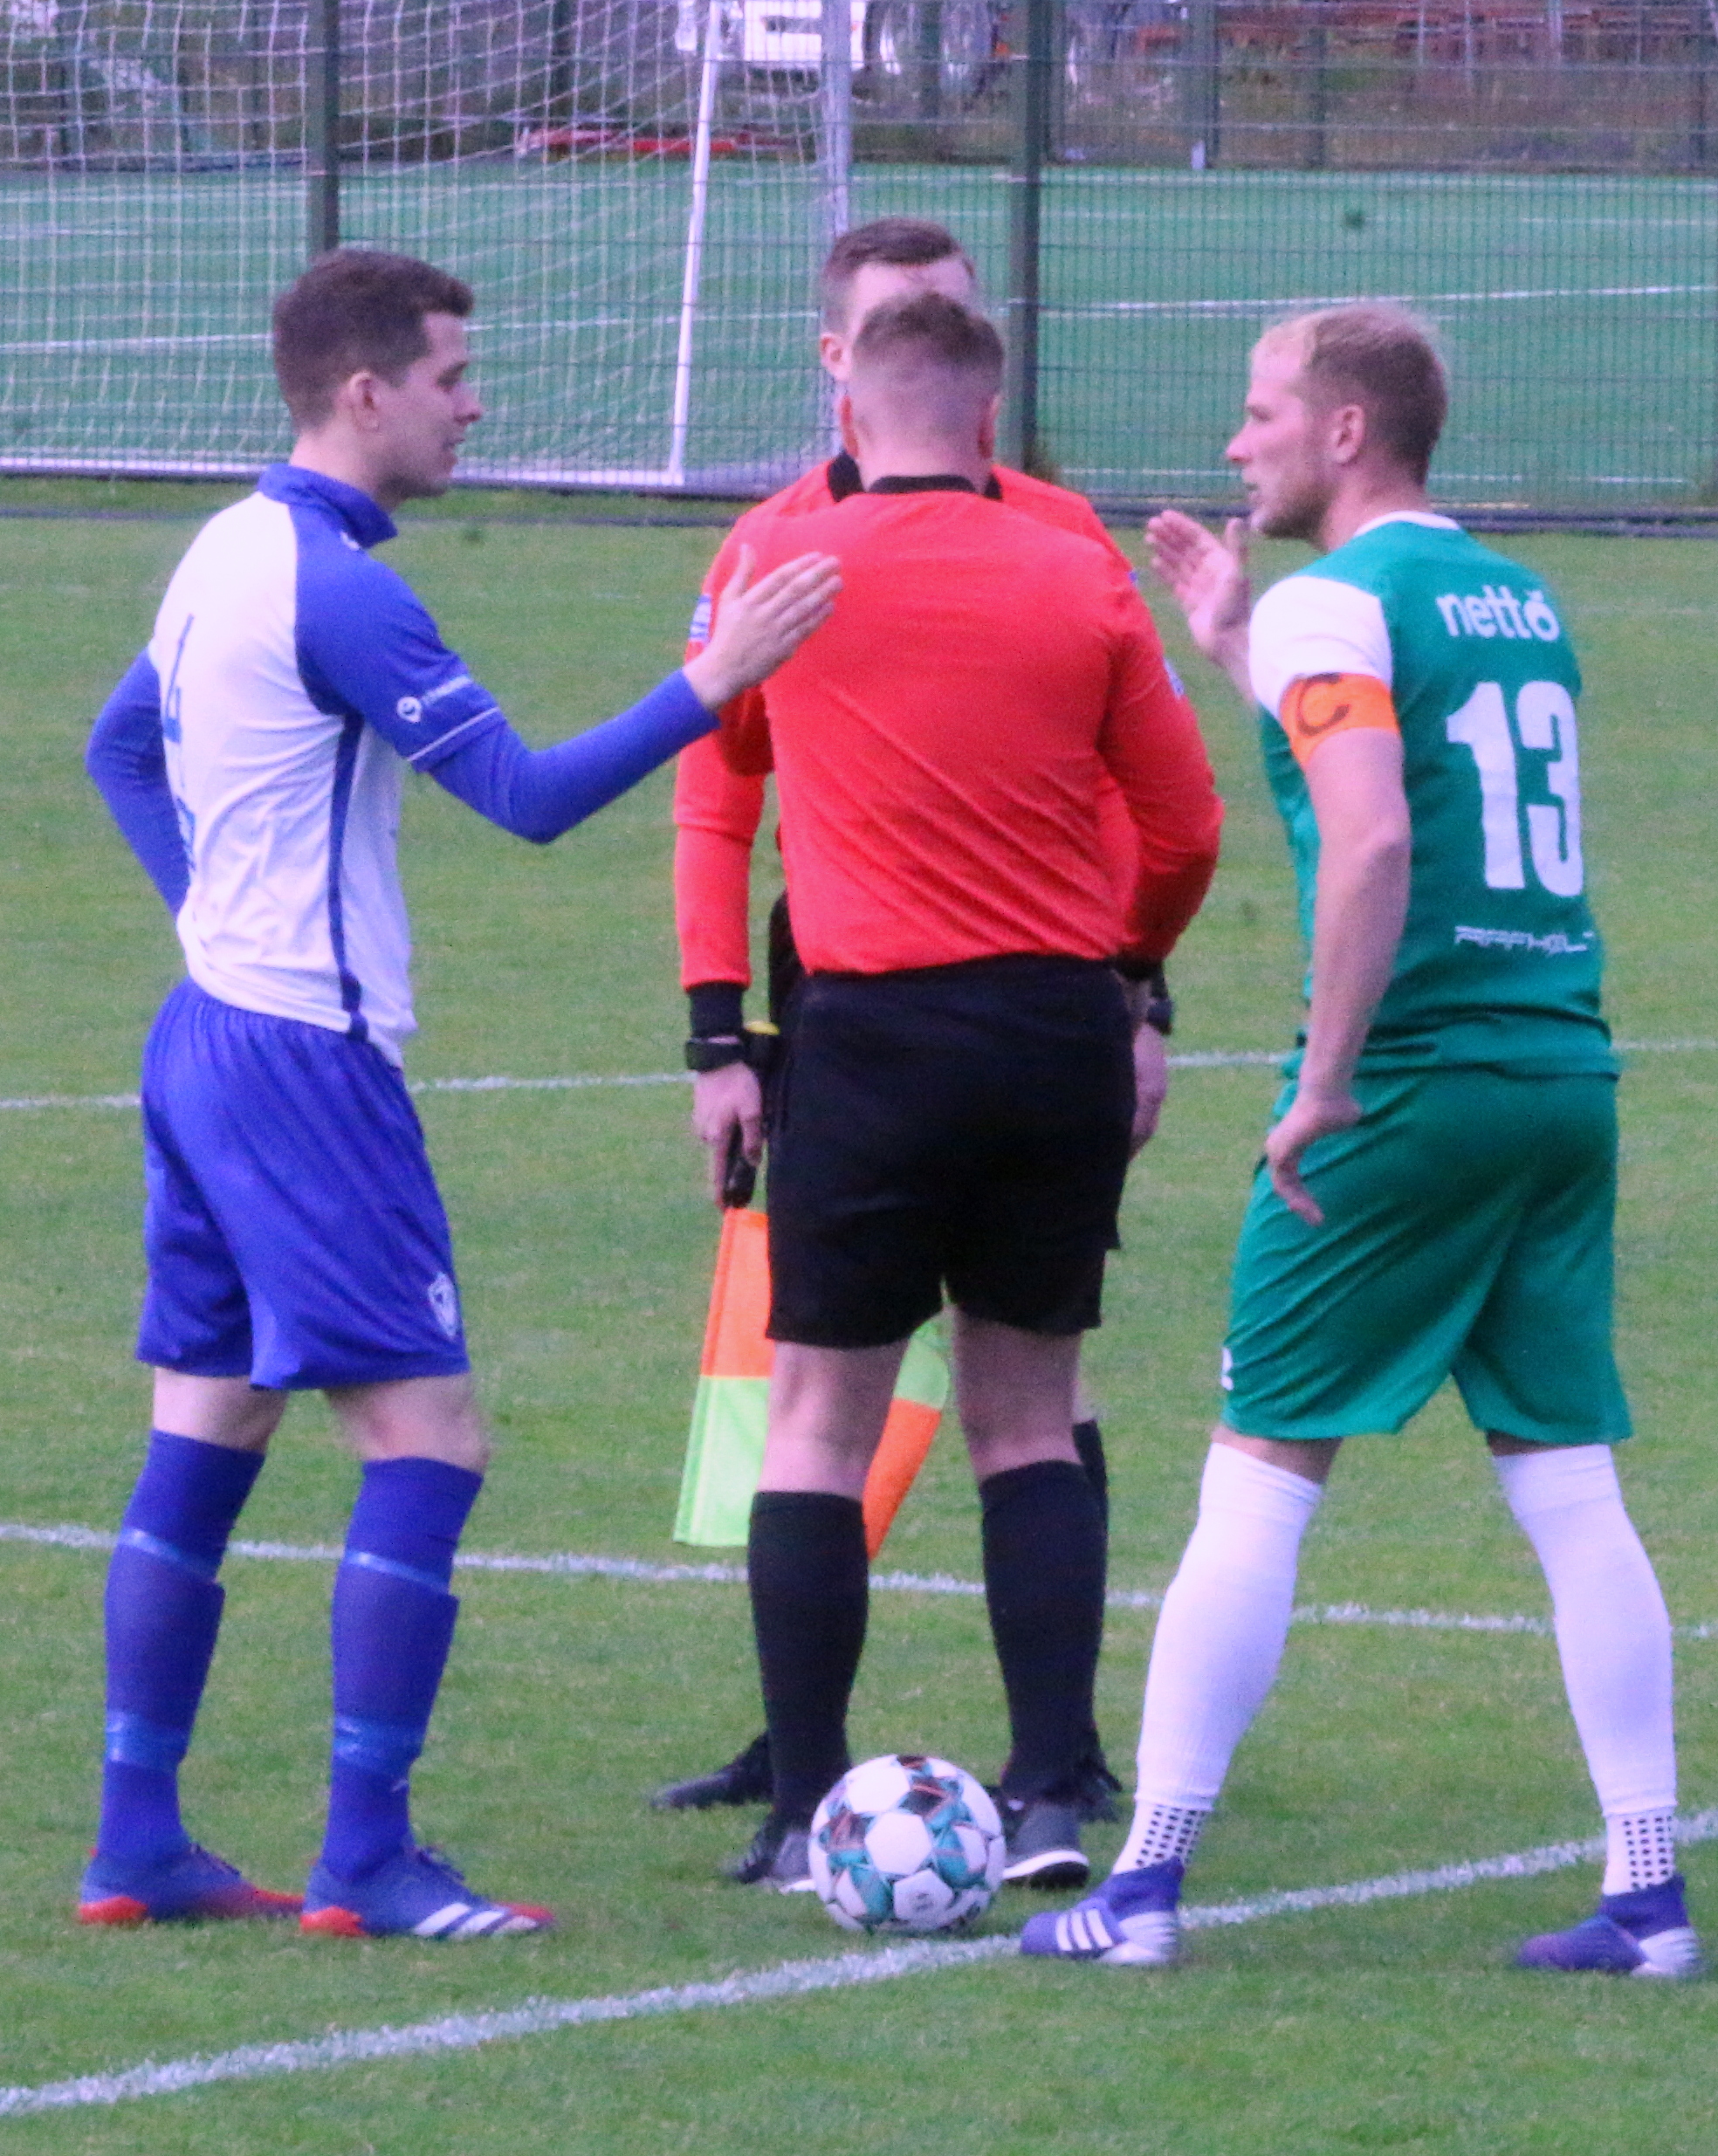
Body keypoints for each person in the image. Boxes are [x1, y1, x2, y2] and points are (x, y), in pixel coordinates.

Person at [74, 248, 837, 1940]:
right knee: (430, 1439)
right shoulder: (337, 589)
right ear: (365, 392)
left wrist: (211, 918)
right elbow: (528, 795)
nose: (471, 406)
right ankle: (367, 1855)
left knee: (207, 1426)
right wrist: (715, 679)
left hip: (205, 1035)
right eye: (448, 377)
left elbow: (119, 749)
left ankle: (136, 1839)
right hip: (304, 1063)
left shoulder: (223, 547)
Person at [1024, 303, 1694, 1979]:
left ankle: (1145, 1885)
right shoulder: (1509, 594)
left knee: (1259, 1471)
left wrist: (1325, 1079)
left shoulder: (1344, 597)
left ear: (1343, 430)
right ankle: (1649, 1891)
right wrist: (1235, 641)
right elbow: (1398, 747)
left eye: (1260, 409)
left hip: (1408, 1081)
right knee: (1568, 1480)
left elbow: (1376, 833)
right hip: (1559, 1069)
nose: (1234, 440)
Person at [654, 222, 1178, 1892]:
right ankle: (949, 1781)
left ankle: (942, 1783)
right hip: (967, 1015)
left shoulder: (929, 553)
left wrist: (1142, 1000)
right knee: (959, 1405)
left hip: (920, 1020)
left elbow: (715, 771)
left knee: (885, 1412)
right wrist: (722, 1036)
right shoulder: (836, 551)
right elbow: (1178, 818)